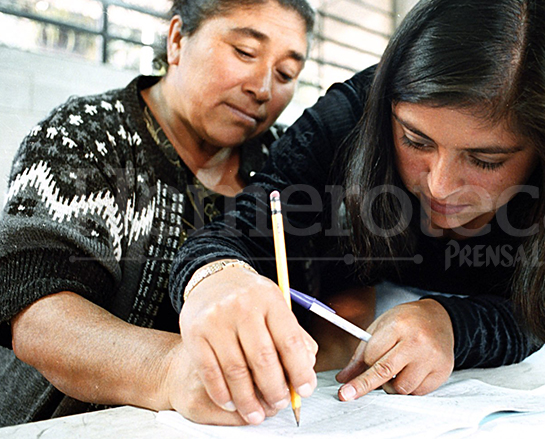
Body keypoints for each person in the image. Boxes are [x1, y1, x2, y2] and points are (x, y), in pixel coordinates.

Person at [169, 0, 545, 427]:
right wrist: (218, 277)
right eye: (415, 142)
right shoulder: (349, 117)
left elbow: (541, 306)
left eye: (486, 160)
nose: (440, 185)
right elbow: (232, 236)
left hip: (502, 388)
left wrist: (454, 326)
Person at [0, 0, 315, 427]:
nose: (262, 87)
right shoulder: (89, 135)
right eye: (244, 51)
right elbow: (38, 315)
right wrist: (169, 370)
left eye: (286, 75)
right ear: (177, 40)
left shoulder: (285, 159)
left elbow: (342, 297)